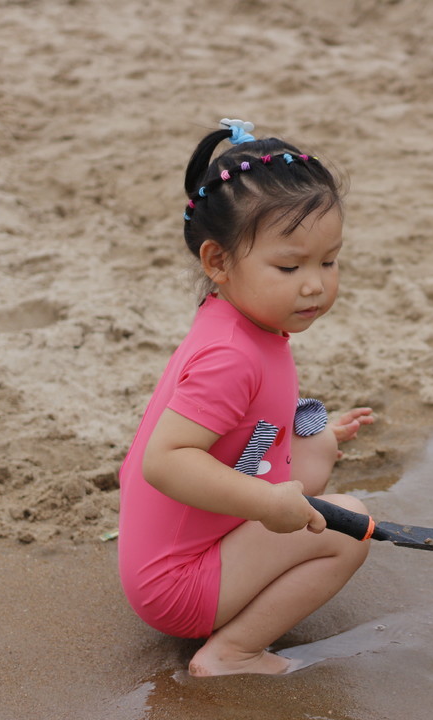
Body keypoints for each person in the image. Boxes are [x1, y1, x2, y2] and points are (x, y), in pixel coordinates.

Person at [118, 119, 374, 676]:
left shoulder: (244, 319)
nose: (315, 284)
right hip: (176, 585)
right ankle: (232, 653)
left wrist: (315, 440)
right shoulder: (231, 356)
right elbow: (165, 460)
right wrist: (265, 504)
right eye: (289, 266)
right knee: (348, 527)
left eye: (329, 261)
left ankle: (235, 611)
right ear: (218, 263)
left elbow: (250, 432)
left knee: (312, 452)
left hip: (191, 550)